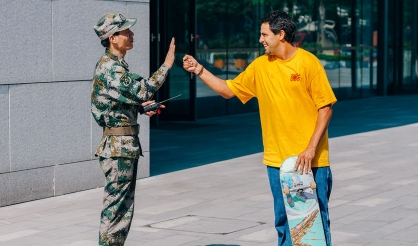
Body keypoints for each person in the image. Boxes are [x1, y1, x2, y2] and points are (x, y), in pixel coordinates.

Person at [183, 10, 336, 246]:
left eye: (265, 34)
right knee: (284, 222)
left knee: (313, 226)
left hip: (311, 161)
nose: (260, 39)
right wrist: (200, 70)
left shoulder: (308, 63)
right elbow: (227, 90)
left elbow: (325, 108)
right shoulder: (260, 66)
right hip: (277, 161)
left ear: (281, 34)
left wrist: (310, 148)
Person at [92, 13, 175, 246]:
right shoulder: (111, 68)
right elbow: (143, 89)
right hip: (119, 149)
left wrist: (139, 107)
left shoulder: (115, 66)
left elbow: (118, 101)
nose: (131, 34)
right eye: (125, 31)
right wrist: (167, 64)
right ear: (112, 38)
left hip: (123, 147)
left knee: (121, 208)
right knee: (116, 209)